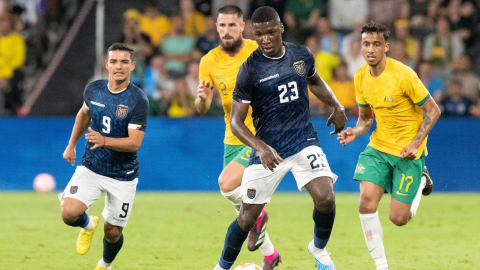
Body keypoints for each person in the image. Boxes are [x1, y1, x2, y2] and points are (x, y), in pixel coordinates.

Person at [213, 6, 347, 270]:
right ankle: (221, 267)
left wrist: (337, 106)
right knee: (247, 218)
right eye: (259, 34)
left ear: (281, 29)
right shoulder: (249, 70)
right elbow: (236, 122)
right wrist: (260, 147)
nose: (265, 39)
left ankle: (318, 250)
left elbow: (315, 80)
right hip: (269, 149)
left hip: (303, 140)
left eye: (271, 33)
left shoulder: (301, 55)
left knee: (326, 198)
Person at [337, 22, 441, 270]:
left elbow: (433, 110)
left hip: (408, 152)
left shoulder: (403, 75)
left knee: (398, 219)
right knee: (366, 203)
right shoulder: (360, 76)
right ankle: (381, 266)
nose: (370, 49)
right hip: (379, 148)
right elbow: (365, 119)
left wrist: (416, 143)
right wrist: (354, 131)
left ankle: (422, 180)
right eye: (365, 44)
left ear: (386, 47)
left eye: (376, 44)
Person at [196, 5, 281, 269]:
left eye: (232, 25)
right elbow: (202, 106)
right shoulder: (208, 60)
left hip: (259, 135)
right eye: (222, 25)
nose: (227, 30)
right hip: (231, 139)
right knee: (243, 209)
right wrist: (201, 98)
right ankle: (270, 256)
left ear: (242, 26)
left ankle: (260, 218)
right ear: (216, 27)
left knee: (226, 184)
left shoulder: (257, 51)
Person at [60, 43, 148, 270]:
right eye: (114, 61)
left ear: (132, 66)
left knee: (113, 232)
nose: (119, 66)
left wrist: (105, 140)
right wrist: (71, 145)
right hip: (91, 166)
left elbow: (134, 143)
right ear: (106, 63)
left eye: (124, 62)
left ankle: (105, 264)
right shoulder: (93, 90)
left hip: (122, 175)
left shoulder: (138, 100)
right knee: (69, 213)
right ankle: (88, 225)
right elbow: (84, 114)